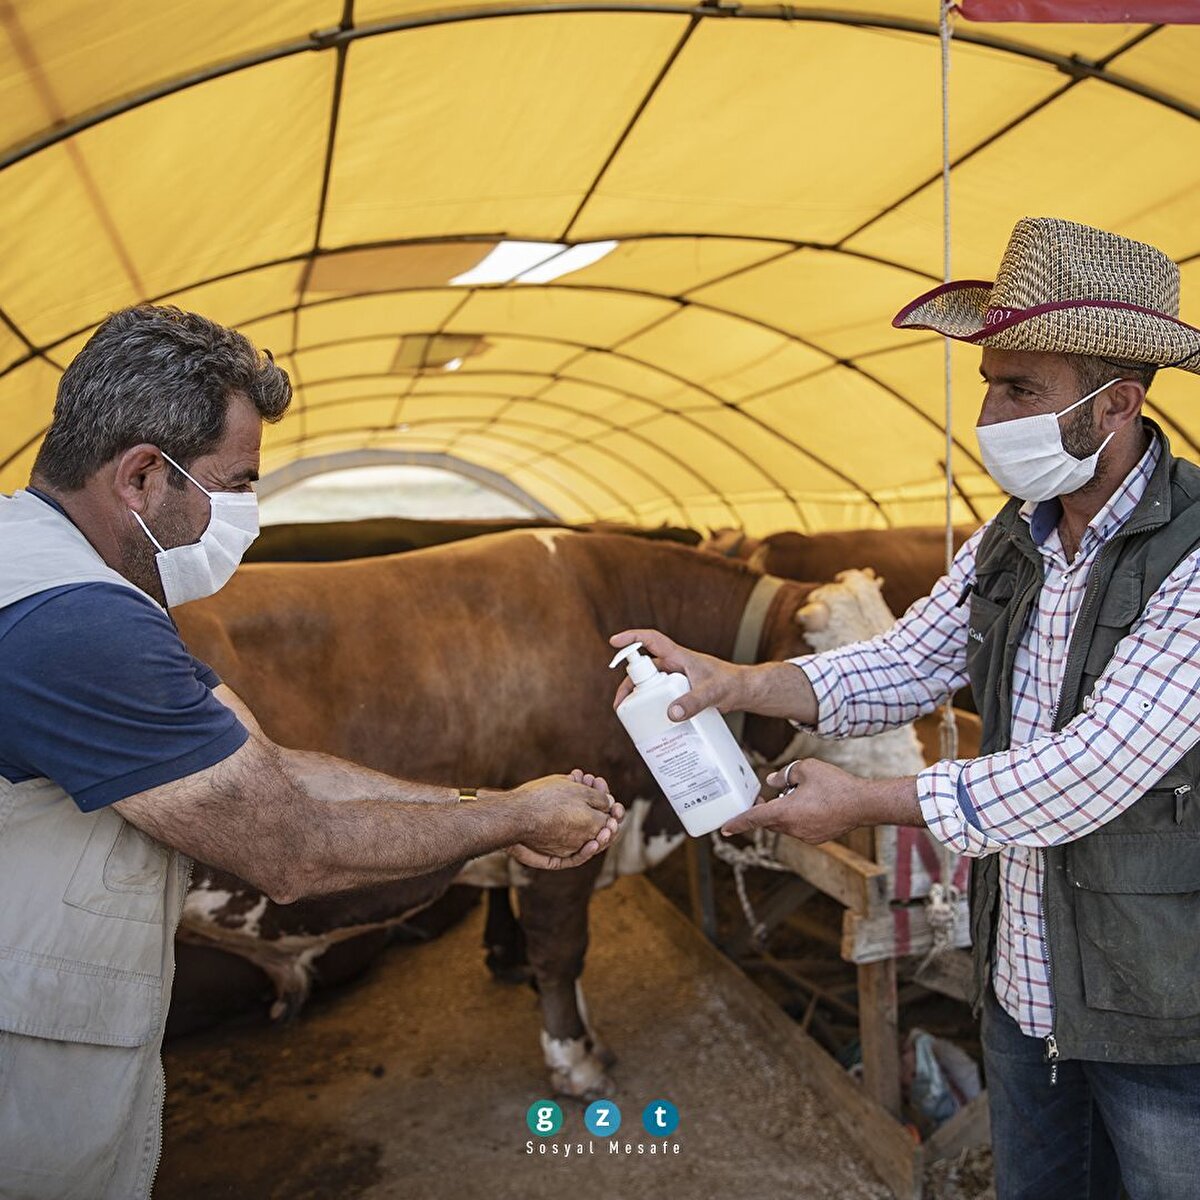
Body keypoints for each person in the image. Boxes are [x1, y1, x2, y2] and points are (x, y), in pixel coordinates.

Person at [613, 217, 1200, 1200]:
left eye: (1022, 390)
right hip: (1021, 984)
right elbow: (899, 662)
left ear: (1118, 404)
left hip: (1156, 1000)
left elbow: (1090, 769)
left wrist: (860, 804)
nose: (991, 414)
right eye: (989, 386)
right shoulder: (1013, 539)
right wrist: (734, 681)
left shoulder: (1191, 552)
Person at [0, 304, 624, 1200]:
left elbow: (274, 766)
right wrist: (517, 817)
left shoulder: (57, 568)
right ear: (142, 476)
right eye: (236, 482)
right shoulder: (79, 622)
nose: (246, 513)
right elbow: (290, 848)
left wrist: (483, 806)